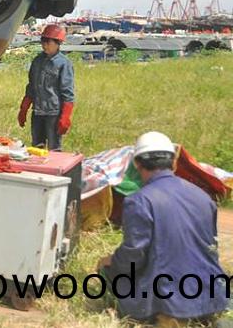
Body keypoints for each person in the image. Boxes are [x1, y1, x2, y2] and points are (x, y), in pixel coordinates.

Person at [97, 132, 229, 324]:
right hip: (212, 297)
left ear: (137, 164)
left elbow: (133, 256)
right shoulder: (203, 197)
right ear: (174, 163)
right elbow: (209, 248)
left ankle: (161, 316)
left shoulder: (139, 201)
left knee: (107, 270)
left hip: (171, 300)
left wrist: (109, 262)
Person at [17, 23, 74, 150]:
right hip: (37, 112)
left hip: (53, 114)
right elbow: (31, 87)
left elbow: (68, 93)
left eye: (48, 41)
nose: (44, 45)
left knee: (54, 149)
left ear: (58, 43)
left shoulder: (64, 64)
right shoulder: (37, 61)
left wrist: (65, 116)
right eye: (43, 41)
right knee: (37, 148)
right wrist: (24, 108)